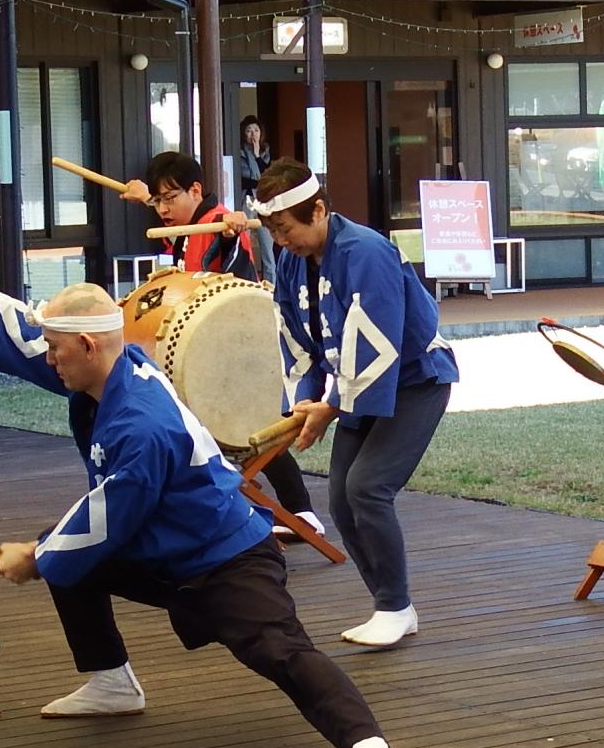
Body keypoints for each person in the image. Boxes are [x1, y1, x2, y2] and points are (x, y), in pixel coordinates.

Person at [0, 244, 410, 748]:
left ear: (86, 345)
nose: (48, 358)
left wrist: (36, 559)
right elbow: (17, 324)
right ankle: (111, 682)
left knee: (278, 649)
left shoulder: (142, 423)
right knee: (69, 559)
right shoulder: (105, 363)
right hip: (162, 545)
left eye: (57, 350)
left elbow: (109, 515)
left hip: (222, 555)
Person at [228, 159, 457, 650]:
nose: (281, 241)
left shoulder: (366, 252)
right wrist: (304, 403)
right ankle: (391, 605)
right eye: (272, 233)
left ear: (318, 210)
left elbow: (378, 344)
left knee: (369, 488)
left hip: (416, 382)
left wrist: (329, 406)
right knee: (340, 498)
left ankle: (395, 606)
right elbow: (294, 337)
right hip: (352, 386)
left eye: (286, 229)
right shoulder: (292, 260)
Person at [121, 151, 325, 542]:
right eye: (158, 201)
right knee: (237, 435)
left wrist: (233, 225)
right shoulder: (186, 226)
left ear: (196, 190)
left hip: (238, 346)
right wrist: (143, 196)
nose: (162, 208)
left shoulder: (216, 223)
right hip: (204, 350)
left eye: (169, 199)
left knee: (255, 432)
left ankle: (300, 512)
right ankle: (237, 508)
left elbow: (230, 235)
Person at [231, 116, 278, 284]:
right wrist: (257, 181)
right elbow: (242, 179)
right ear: (243, 133)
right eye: (249, 130)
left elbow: (267, 176)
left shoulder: (265, 153)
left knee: (268, 247)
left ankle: (271, 284)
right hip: (247, 200)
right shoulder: (238, 152)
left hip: (263, 201)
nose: (253, 134)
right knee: (244, 241)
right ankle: (247, 280)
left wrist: (257, 155)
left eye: (256, 130)